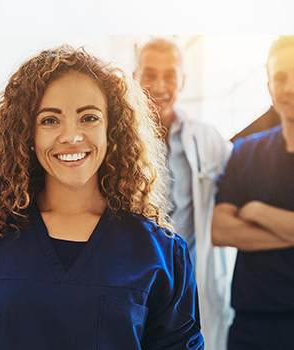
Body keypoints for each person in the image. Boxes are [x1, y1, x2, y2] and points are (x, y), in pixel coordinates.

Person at [0, 45, 203, 349]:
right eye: (50, 120)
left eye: (89, 118)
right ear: (27, 134)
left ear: (113, 129)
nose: (71, 136)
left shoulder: (159, 254)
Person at [133, 37, 235, 350]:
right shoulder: (115, 139)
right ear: (135, 76)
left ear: (183, 81)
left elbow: (237, 191)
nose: (160, 85)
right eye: (149, 74)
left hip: (195, 284)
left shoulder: (207, 139)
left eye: (170, 76)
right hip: (138, 281)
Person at [212, 35, 294, 349]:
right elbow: (220, 230)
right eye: (280, 78)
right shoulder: (246, 153)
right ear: (269, 84)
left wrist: (258, 211)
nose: (288, 87)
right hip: (252, 324)